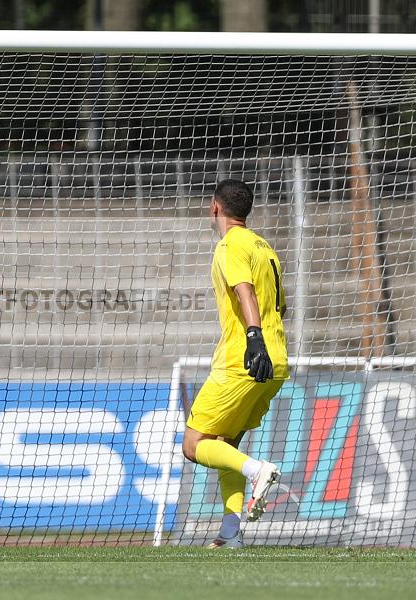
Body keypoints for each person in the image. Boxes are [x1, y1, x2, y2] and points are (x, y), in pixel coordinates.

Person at [180, 179, 289, 548]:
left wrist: (253, 337)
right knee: (226, 444)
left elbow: (245, 291)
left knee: (194, 445)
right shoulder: (264, 247)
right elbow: (282, 306)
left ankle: (258, 471)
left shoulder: (230, 245)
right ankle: (230, 533)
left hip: (244, 360)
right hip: (276, 362)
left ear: (215, 207)